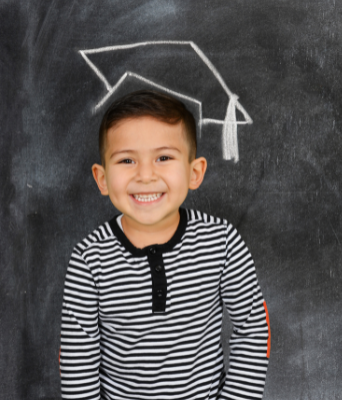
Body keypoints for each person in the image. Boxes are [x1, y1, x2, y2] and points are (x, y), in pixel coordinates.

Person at [60, 89, 270, 399]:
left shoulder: (222, 242)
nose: (145, 175)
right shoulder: (90, 259)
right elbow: (78, 358)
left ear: (194, 171)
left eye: (164, 157)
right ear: (102, 179)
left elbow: (252, 328)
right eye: (127, 160)